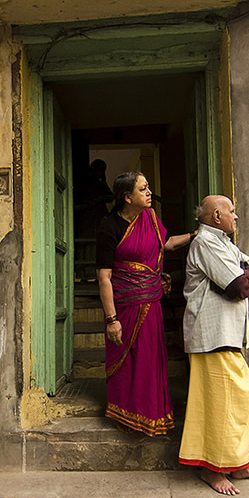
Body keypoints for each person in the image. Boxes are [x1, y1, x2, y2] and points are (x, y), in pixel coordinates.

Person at [179, 194, 249, 494]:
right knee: (219, 404)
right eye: (232, 212)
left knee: (240, 399)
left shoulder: (223, 242)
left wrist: (247, 272)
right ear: (217, 215)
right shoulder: (206, 242)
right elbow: (239, 286)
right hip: (212, 334)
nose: (236, 216)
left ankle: (240, 463)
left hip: (227, 334)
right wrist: (246, 275)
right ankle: (212, 469)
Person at [95, 171, 195, 436]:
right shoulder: (109, 227)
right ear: (127, 197)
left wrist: (195, 235)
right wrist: (112, 320)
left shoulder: (149, 217)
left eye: (148, 187)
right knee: (128, 362)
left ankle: (151, 414)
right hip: (124, 307)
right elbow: (104, 277)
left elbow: (167, 243)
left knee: (150, 360)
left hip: (151, 305)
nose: (149, 193)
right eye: (143, 189)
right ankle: (126, 414)